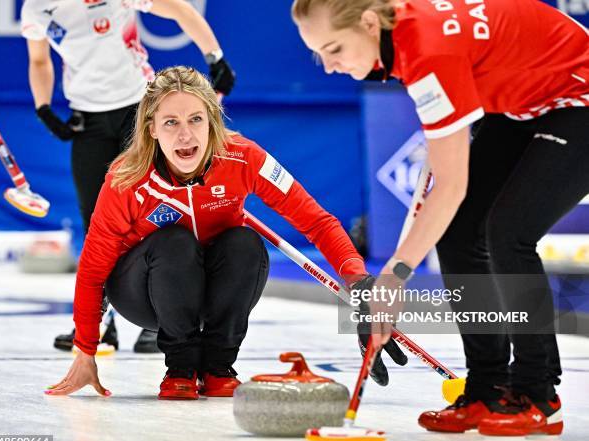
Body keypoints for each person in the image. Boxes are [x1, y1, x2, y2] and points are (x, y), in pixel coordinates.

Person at [292, 0, 588, 436]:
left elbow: (450, 186)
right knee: (457, 233)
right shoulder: (403, 35)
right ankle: (488, 388)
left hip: (577, 97)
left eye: (334, 49)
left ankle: (538, 394)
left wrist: (393, 277)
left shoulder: (427, 49)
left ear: (371, 24)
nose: (330, 66)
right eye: (319, 54)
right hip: (524, 100)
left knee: (508, 231)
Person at [44, 65, 378, 399]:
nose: (185, 135)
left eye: (195, 119)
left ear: (212, 121)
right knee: (174, 242)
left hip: (209, 287)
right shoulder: (127, 177)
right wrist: (85, 351)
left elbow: (316, 221)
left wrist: (360, 285)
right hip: (144, 296)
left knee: (246, 243)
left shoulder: (243, 158)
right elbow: (92, 269)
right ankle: (181, 368)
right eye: (171, 122)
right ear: (153, 129)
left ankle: (218, 367)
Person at [20, 0, 236, 353]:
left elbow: (180, 10)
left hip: (138, 110)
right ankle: (100, 324)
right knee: (96, 223)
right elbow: (39, 60)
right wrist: (43, 107)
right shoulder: (36, 7)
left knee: (157, 215)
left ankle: (166, 317)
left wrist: (216, 57)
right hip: (88, 120)